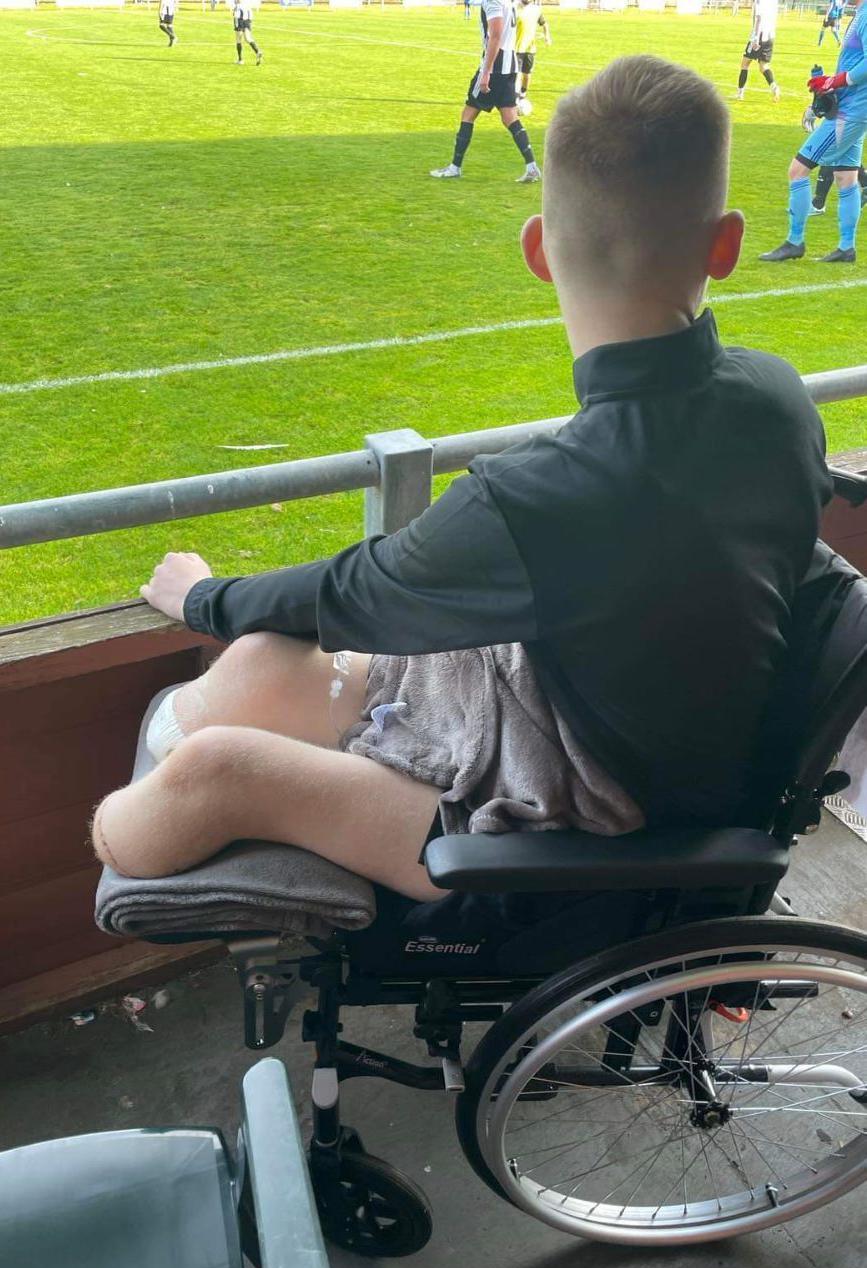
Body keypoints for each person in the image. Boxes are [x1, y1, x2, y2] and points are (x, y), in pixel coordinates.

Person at [91, 57, 831, 907]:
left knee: (211, 771)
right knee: (261, 661)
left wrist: (200, 599)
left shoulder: (540, 497)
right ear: (727, 244)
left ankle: (142, 813)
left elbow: (350, 589)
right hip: (612, 727)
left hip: (608, 828)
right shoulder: (777, 395)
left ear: (537, 251)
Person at [760, 0, 867, 263]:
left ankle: (794, 242)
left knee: (797, 170)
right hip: (851, 106)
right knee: (846, 177)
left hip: (851, 111)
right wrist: (829, 84)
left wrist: (835, 81)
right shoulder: (860, 11)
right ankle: (846, 248)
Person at [429, 0, 540, 183]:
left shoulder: (493, 1)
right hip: (509, 65)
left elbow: (495, 36)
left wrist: (486, 72)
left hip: (495, 66)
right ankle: (532, 167)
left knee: (468, 114)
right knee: (510, 117)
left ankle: (454, 167)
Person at [735, 0, 780, 101]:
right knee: (763, 66)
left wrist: (755, 38)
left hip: (759, 36)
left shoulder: (760, 2)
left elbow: (759, 19)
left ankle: (740, 92)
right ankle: (774, 87)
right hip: (770, 36)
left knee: (745, 63)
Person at [515, 0, 552, 109]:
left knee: (527, 75)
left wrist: (547, 37)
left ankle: (522, 95)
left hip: (530, 48)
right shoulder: (514, 8)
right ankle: (515, 98)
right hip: (516, 48)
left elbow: (544, 24)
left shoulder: (536, 10)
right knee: (517, 75)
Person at [233, 1, 263, 65]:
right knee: (248, 38)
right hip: (248, 21)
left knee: (238, 39)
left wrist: (236, 25)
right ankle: (258, 51)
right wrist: (249, 23)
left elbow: (236, 16)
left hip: (239, 21)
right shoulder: (247, 5)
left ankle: (240, 60)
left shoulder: (238, 6)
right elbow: (251, 15)